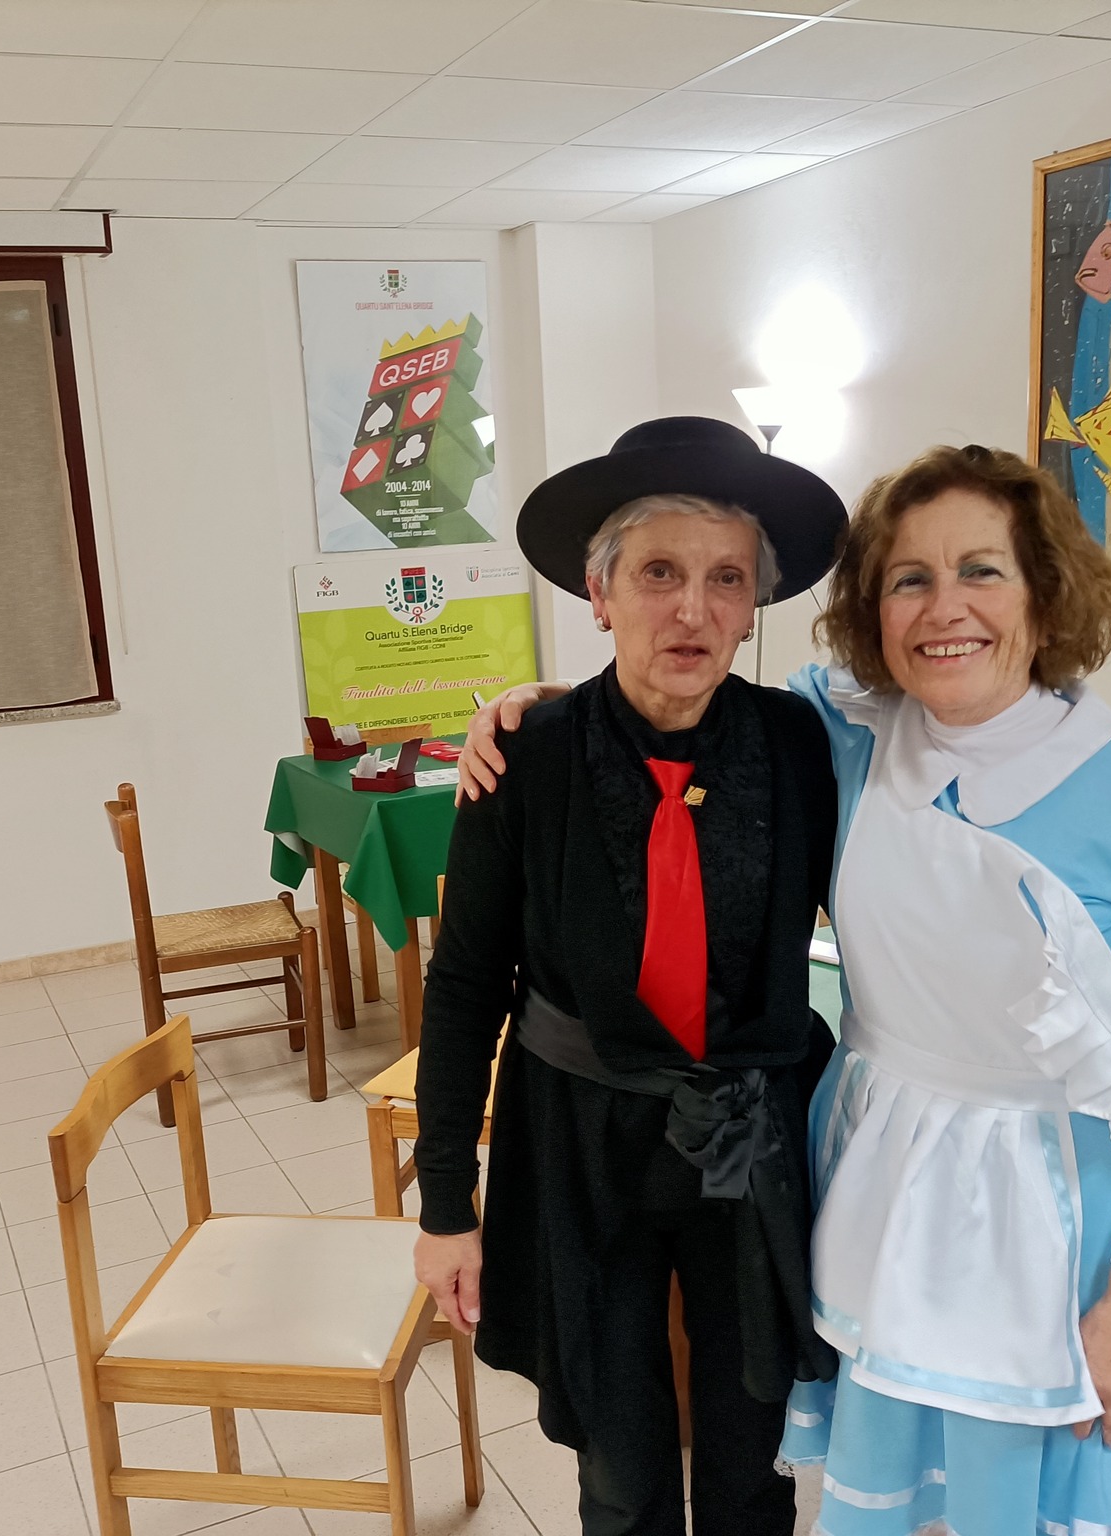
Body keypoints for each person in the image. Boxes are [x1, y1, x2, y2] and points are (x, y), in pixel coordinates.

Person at [460, 443, 1111, 1536]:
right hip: (887, 1211)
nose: (945, 609)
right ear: (872, 611)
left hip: (1061, 1243)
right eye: (908, 579)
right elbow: (676, 705)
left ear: (1044, 589)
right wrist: (546, 708)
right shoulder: (849, 737)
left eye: (981, 570)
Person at [414, 416, 848, 1536]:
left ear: (753, 605)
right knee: (618, 1451)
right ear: (599, 593)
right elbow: (463, 989)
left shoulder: (798, 746)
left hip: (746, 1136)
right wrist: (446, 1204)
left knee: (752, 1443)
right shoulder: (526, 758)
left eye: (725, 578)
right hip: (581, 1143)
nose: (692, 610)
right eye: (658, 573)